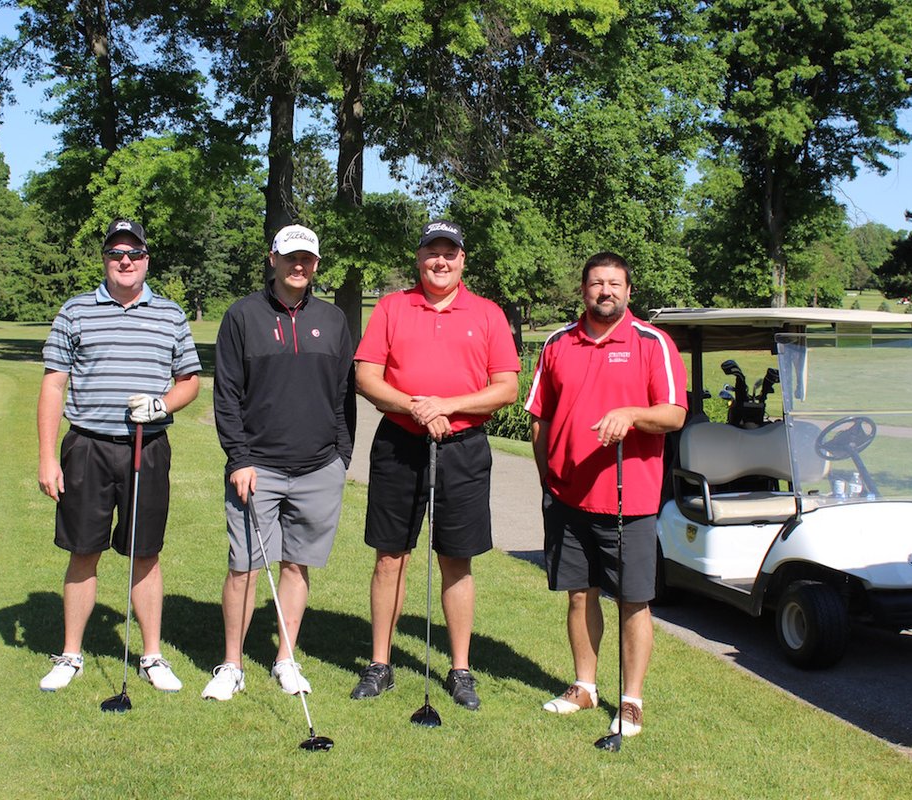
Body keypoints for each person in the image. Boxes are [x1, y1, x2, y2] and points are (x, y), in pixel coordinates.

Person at [350, 219, 520, 711]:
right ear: (419, 258)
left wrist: (448, 406)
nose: (440, 261)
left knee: (456, 559)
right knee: (389, 556)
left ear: (463, 259)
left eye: (449, 253)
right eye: (431, 252)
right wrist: (417, 407)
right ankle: (380, 663)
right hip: (400, 443)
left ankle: (461, 668)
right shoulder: (391, 306)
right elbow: (366, 376)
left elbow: (506, 387)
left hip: (463, 449)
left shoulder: (486, 313)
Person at [524, 251, 687, 737]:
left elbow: (674, 414)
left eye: (615, 283)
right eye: (597, 283)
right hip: (567, 497)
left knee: (633, 601)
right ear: (584, 290)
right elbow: (540, 417)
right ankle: (585, 686)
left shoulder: (651, 343)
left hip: (628, 499)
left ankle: (631, 700)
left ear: (628, 291)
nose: (606, 291)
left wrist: (632, 414)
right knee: (579, 595)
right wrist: (546, 477)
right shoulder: (558, 343)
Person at [37, 218, 202, 693]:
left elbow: (189, 380)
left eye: (133, 253)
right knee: (82, 550)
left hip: (145, 447)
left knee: (144, 552)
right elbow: (53, 384)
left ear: (147, 259)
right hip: (87, 446)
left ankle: (151, 655)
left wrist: (163, 404)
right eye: (115, 253)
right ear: (105, 259)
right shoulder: (75, 311)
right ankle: (71, 654)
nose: (124, 261)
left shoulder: (170, 315)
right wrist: (48, 457)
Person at [202, 224, 354, 701]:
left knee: (297, 565)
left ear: (316, 263)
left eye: (307, 258)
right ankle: (231, 664)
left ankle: (286, 659)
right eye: (290, 257)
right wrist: (239, 457)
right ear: (273, 258)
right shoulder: (243, 316)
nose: (299, 265)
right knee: (244, 567)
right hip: (257, 468)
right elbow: (226, 394)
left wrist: (340, 457)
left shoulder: (333, 320)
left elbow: (343, 396)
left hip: (318, 467)